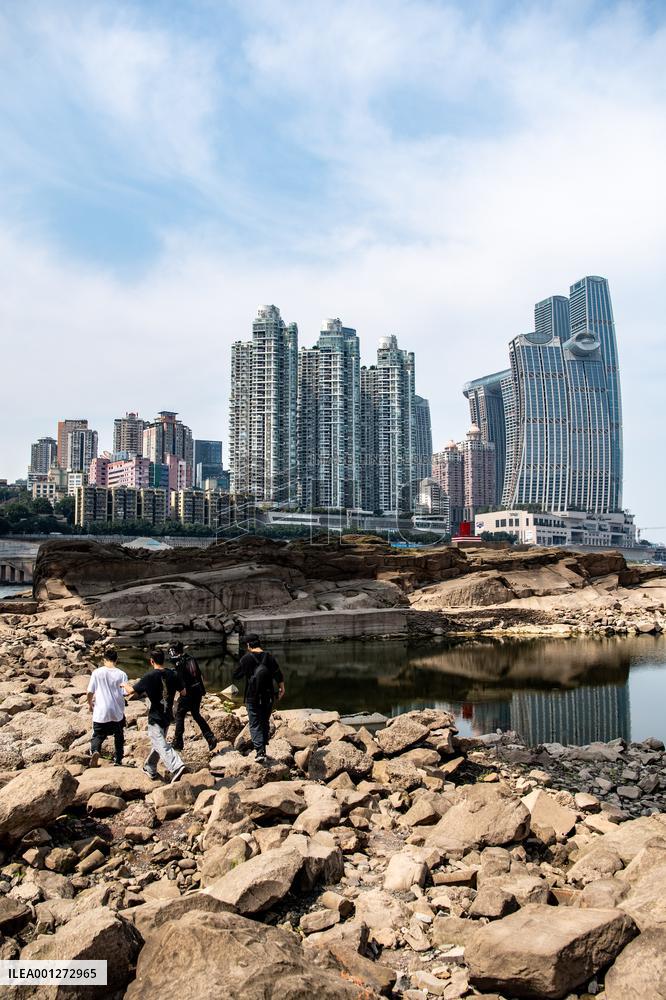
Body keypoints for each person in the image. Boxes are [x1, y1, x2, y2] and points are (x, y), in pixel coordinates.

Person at [122, 650, 187, 783]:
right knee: (158, 743)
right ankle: (149, 767)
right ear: (163, 660)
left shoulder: (149, 676)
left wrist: (123, 684)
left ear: (152, 661)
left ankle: (177, 766)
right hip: (167, 716)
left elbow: (130, 692)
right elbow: (184, 692)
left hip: (155, 717)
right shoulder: (173, 674)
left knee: (161, 744)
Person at [233, 634, 285, 762]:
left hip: (252, 696)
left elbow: (236, 675)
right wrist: (282, 689)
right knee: (264, 721)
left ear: (249, 645)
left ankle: (260, 752)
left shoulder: (246, 659)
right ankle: (263, 747)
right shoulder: (269, 657)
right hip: (268, 696)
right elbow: (278, 675)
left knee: (254, 723)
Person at [168, 641, 217, 752]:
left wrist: (180, 690)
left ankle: (178, 743)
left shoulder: (179, 662)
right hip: (198, 691)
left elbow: (179, 679)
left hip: (188, 693)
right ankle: (210, 738)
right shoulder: (191, 658)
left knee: (180, 715)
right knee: (196, 714)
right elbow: (199, 675)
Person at [87, 648, 127, 767]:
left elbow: (89, 691)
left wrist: (90, 704)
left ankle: (95, 751)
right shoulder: (122, 674)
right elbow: (125, 692)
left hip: (101, 711)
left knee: (98, 735)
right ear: (116, 660)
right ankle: (118, 759)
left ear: (104, 660)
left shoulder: (97, 672)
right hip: (117, 711)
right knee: (119, 735)